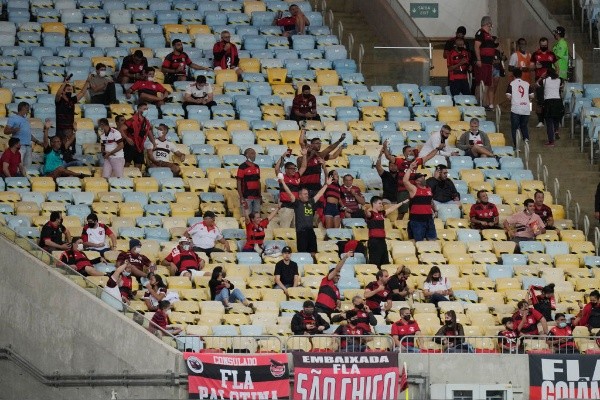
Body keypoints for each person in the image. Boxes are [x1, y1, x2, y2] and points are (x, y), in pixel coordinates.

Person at [382, 141, 436, 219]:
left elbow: (428, 157)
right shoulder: (401, 162)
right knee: (402, 212)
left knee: (413, 211)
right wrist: (385, 147)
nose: (412, 152)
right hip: (403, 191)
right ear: (404, 154)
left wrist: (437, 149)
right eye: (409, 151)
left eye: (412, 151)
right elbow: (388, 156)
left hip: (413, 190)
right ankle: (397, 227)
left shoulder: (415, 162)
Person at [279, 175, 332, 256]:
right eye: (304, 194)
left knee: (313, 252)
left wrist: (327, 185)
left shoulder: (310, 202)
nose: (307, 195)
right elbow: (289, 193)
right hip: (301, 232)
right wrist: (282, 182)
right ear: (299, 196)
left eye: (307, 194)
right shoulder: (297, 203)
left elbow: (319, 194)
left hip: (311, 231)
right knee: (303, 253)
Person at [364, 196, 406, 267]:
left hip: (382, 241)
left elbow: (392, 209)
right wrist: (366, 209)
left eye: (382, 204)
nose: (381, 205)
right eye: (379, 203)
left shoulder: (382, 214)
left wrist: (401, 203)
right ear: (374, 204)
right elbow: (367, 213)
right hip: (374, 241)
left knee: (385, 262)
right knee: (375, 262)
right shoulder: (371, 214)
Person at [299, 130, 344, 195]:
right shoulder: (303, 156)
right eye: (317, 143)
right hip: (304, 187)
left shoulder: (319, 155)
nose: (319, 145)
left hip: (316, 187)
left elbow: (329, 149)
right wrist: (303, 130)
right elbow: (301, 142)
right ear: (311, 145)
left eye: (320, 143)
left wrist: (340, 140)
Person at [404, 161, 437, 242]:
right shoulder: (414, 189)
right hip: (417, 220)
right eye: (421, 177)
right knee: (419, 242)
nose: (423, 178)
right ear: (417, 181)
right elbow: (405, 181)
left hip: (429, 219)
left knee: (432, 240)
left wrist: (435, 210)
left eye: (424, 177)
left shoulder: (428, 189)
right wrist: (410, 168)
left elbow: (431, 201)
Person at [4, 102, 41, 167]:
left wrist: (38, 142)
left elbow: (28, 134)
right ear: (23, 108)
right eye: (27, 108)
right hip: (19, 147)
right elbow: (5, 131)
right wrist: (13, 130)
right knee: (18, 167)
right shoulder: (13, 118)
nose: (29, 110)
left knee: (28, 169)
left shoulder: (26, 120)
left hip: (28, 147)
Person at [315, 252, 352, 317]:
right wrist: (345, 257)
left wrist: (337, 307)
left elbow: (338, 301)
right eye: (336, 275)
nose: (338, 277)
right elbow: (337, 269)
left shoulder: (337, 289)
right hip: (320, 308)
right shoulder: (326, 281)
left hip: (330, 311)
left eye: (339, 276)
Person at [530, 37, 557, 128]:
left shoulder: (551, 54)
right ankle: (540, 121)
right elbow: (530, 68)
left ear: (547, 44)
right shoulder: (535, 54)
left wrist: (555, 77)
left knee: (550, 101)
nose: (544, 47)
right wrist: (536, 67)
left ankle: (551, 120)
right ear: (539, 45)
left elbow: (557, 67)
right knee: (540, 101)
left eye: (545, 45)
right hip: (539, 80)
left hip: (549, 80)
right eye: (542, 45)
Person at [122, 102, 157, 170]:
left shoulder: (146, 122)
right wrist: (126, 138)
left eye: (147, 109)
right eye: (144, 109)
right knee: (126, 164)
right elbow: (121, 129)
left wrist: (154, 143)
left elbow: (149, 133)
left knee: (139, 165)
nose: (146, 110)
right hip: (130, 145)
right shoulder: (132, 120)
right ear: (138, 109)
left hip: (140, 146)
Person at [506, 68, 534, 147]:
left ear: (513, 75)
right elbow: (532, 96)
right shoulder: (527, 83)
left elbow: (508, 96)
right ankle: (526, 141)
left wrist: (514, 99)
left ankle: (516, 145)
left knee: (514, 128)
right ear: (521, 75)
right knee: (524, 126)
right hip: (526, 108)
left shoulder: (511, 84)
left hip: (516, 108)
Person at [473, 16, 497, 110]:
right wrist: (479, 60)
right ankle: (478, 102)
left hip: (489, 63)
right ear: (488, 24)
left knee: (487, 84)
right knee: (480, 83)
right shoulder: (480, 33)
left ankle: (484, 102)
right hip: (482, 63)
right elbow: (476, 47)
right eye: (491, 24)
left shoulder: (489, 35)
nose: (491, 26)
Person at [275, 149, 303, 228]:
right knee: (284, 228)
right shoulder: (282, 177)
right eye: (292, 168)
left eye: (295, 168)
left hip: (296, 207)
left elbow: (303, 167)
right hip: (286, 206)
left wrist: (304, 155)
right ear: (286, 169)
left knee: (295, 230)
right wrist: (283, 155)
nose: (294, 170)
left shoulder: (296, 176)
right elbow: (277, 168)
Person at [55, 78, 88, 143]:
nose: (70, 91)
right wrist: (64, 83)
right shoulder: (59, 100)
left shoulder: (72, 100)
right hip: (60, 129)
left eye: (71, 90)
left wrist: (88, 81)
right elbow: (58, 94)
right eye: (68, 90)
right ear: (63, 91)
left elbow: (82, 93)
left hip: (69, 129)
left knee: (69, 148)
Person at [538, 67, 564, 146]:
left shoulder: (545, 80)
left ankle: (551, 141)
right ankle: (556, 130)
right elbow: (562, 86)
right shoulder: (559, 80)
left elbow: (537, 84)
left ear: (547, 73)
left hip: (548, 102)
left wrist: (542, 76)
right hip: (558, 101)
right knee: (556, 118)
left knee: (549, 122)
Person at [237, 148, 261, 215]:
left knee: (256, 218)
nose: (254, 155)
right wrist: (241, 197)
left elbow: (258, 181)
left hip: (256, 197)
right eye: (252, 153)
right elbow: (238, 182)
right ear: (247, 155)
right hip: (246, 197)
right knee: (247, 218)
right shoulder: (242, 167)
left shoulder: (257, 167)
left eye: (254, 153)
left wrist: (260, 195)